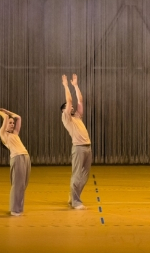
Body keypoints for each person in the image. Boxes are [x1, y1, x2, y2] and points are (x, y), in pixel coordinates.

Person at [61, 74, 92, 210]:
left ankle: (73, 196)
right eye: (68, 107)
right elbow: (69, 100)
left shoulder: (77, 116)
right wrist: (66, 86)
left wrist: (76, 85)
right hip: (78, 148)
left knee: (84, 175)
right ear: (64, 111)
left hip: (87, 147)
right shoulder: (66, 118)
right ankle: (76, 202)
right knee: (77, 174)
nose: (71, 107)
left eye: (72, 107)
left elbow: (80, 100)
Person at [0, 108, 31, 216]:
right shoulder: (3, 134)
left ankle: (19, 208)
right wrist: (2, 113)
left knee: (23, 184)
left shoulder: (15, 133)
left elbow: (18, 117)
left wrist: (8, 112)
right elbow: (5, 118)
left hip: (26, 157)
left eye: (13, 123)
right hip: (17, 158)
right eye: (10, 123)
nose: (12, 124)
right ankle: (14, 210)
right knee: (17, 184)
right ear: (5, 125)